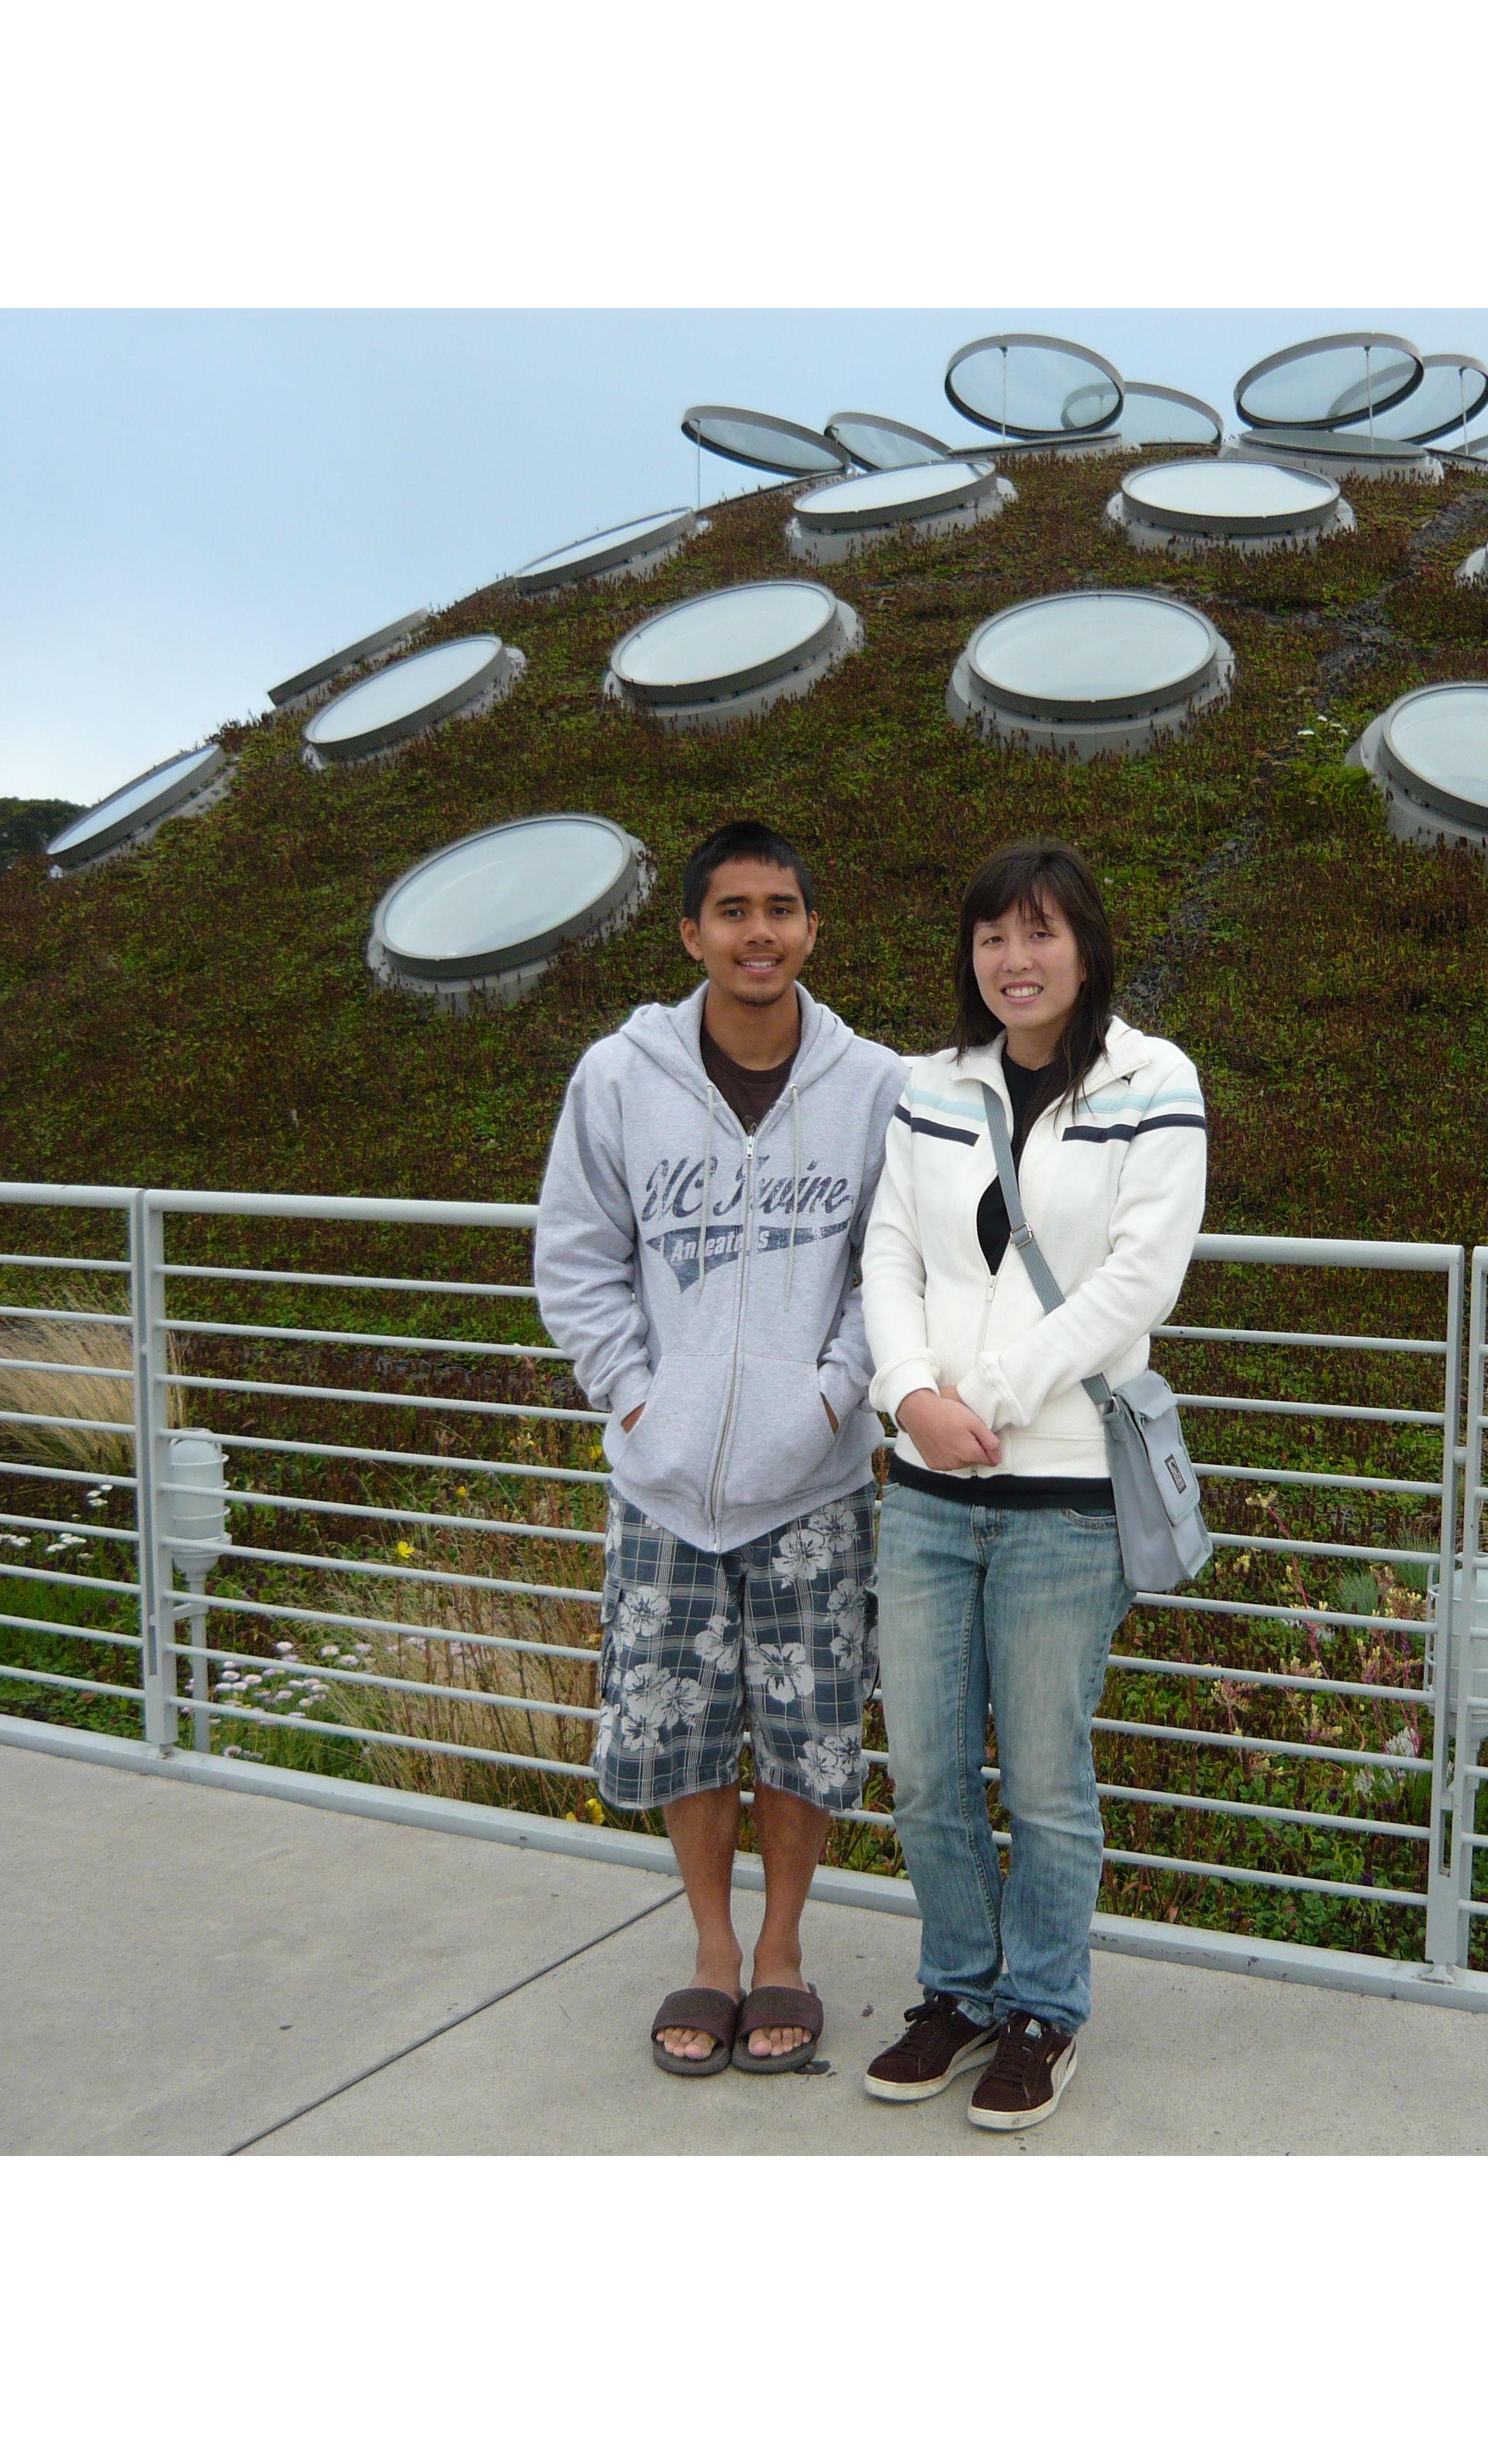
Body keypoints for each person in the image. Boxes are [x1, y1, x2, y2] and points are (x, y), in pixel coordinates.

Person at [535, 823, 905, 2077]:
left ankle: (786, 1952)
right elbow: (578, 1255)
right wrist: (635, 1398)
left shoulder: (878, 1087)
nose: (761, 932)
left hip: (811, 1480)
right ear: (689, 933)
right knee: (681, 1726)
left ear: (812, 929)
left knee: (803, 1726)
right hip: (664, 1481)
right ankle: (709, 1951)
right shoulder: (619, 1076)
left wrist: (829, 1401)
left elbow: (887, 1271)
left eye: (784, 908)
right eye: (734, 910)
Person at [858, 839, 1207, 2131]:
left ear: (1088, 946)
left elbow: (1138, 1278)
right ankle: (956, 1989)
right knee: (931, 1770)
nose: (1016, 958)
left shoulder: (1154, 1079)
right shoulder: (926, 1087)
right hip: (928, 1490)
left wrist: (986, 1403)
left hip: (1063, 1493)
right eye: (994, 934)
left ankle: (1045, 2010)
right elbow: (888, 1250)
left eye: (1042, 932)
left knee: (1047, 1779)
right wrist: (912, 1401)